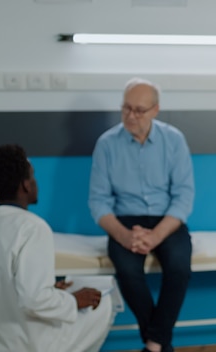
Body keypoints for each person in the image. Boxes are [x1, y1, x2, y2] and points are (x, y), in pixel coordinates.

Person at [0, 144, 113, 352]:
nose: (35, 183)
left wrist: (52, 291)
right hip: (21, 345)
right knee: (102, 306)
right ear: (25, 185)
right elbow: (34, 300)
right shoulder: (31, 227)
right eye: (32, 177)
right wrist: (73, 300)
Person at [89, 77, 195, 352]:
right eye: (126, 108)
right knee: (126, 270)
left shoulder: (173, 140)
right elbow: (98, 202)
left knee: (179, 267)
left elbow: (183, 197)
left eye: (138, 110)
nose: (130, 116)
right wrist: (125, 236)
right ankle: (159, 343)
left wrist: (156, 235)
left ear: (155, 110)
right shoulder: (107, 144)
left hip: (166, 220)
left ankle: (154, 343)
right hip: (124, 221)